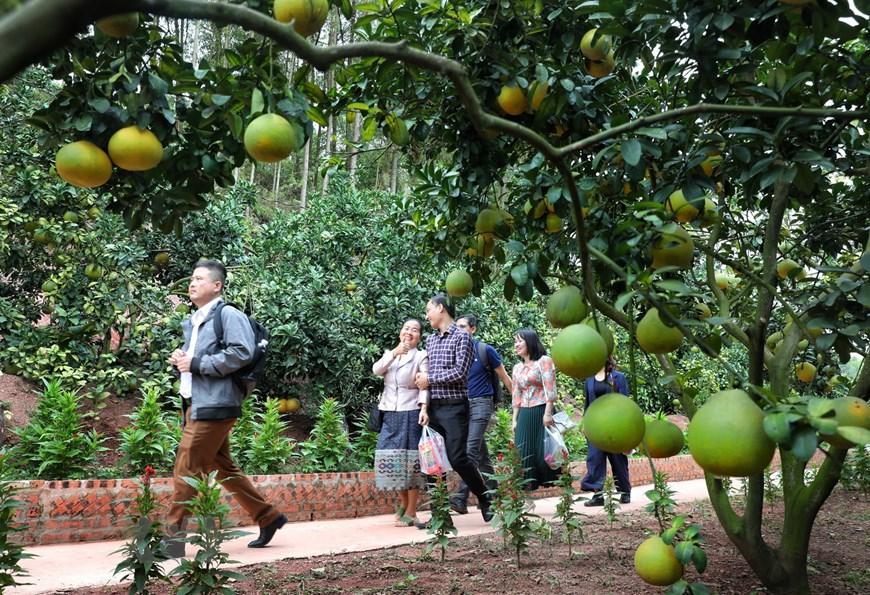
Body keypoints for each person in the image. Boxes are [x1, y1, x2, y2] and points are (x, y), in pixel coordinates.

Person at [165, 259, 287, 557]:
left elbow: (242, 352)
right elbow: (198, 361)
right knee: (223, 468)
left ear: (217, 285)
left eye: (199, 279)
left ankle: (171, 541)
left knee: (187, 467)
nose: (192, 283)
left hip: (216, 404)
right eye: (191, 279)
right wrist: (182, 359)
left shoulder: (229, 314)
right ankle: (268, 516)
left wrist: (196, 363)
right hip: (196, 402)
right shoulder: (195, 321)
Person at [414, 294, 494, 523]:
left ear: (441, 308)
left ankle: (485, 497)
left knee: (458, 458)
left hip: (455, 408)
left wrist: (429, 379)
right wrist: (424, 406)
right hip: (434, 408)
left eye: (428, 310)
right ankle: (439, 514)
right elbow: (426, 378)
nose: (426, 315)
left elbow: (460, 373)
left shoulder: (462, 337)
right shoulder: (430, 340)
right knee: (431, 460)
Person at [449, 314, 513, 515]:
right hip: (462, 406)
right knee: (481, 453)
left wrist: (519, 402)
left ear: (473, 329)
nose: (458, 331)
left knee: (469, 451)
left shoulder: (485, 350)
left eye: (462, 326)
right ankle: (493, 493)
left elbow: (504, 377)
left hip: (481, 404)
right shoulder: (453, 352)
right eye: (456, 327)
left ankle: (461, 497)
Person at [372, 318, 429, 526]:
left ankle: (412, 511)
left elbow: (425, 385)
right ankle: (404, 503)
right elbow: (376, 370)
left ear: (419, 336)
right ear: (400, 332)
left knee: (410, 463)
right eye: (406, 328)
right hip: (389, 412)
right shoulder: (391, 354)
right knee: (391, 461)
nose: (409, 332)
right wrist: (395, 352)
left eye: (415, 330)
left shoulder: (421, 356)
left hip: (410, 412)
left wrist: (424, 408)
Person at [511, 328, 560, 490]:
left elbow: (550, 390)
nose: (516, 345)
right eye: (515, 341)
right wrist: (514, 419)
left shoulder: (544, 361)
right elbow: (516, 394)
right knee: (522, 450)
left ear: (530, 342)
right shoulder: (517, 368)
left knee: (543, 452)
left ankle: (548, 482)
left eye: (520, 341)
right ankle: (526, 487)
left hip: (542, 411)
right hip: (524, 413)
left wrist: (548, 414)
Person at [580, 356, 632, 506]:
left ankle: (624, 492)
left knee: (618, 460)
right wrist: (585, 423)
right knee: (594, 459)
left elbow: (624, 402)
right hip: (595, 425)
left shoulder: (618, 377)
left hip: (614, 425)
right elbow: (588, 404)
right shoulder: (589, 379)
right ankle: (598, 496)